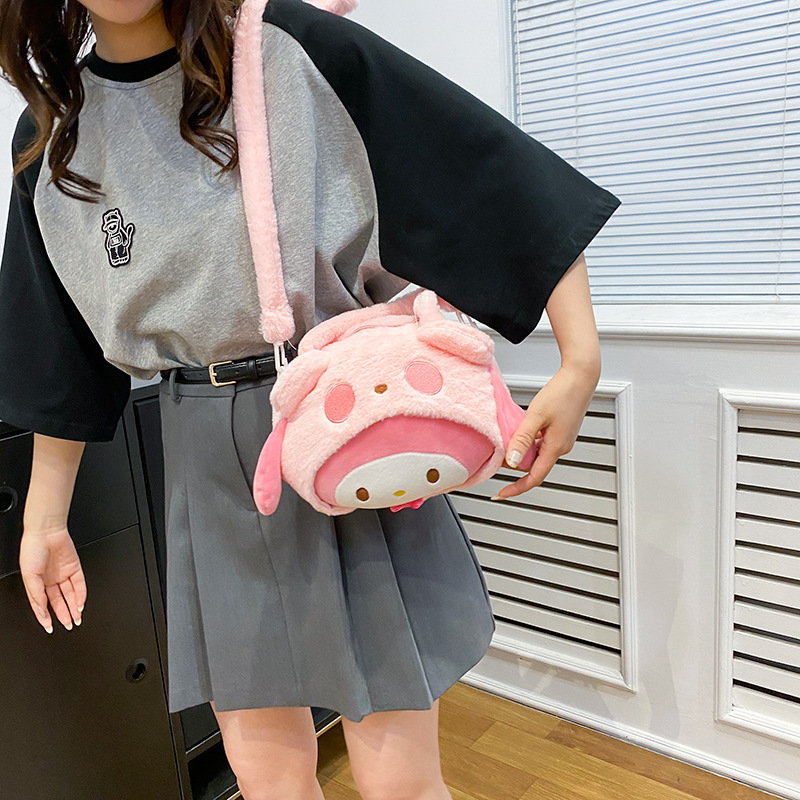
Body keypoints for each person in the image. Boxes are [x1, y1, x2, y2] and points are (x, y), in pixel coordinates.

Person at [0, 0, 621, 798]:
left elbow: (474, 166)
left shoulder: (286, 45)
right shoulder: (54, 134)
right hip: (203, 457)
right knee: (267, 777)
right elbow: (58, 346)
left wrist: (580, 357)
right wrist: (45, 518)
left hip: (345, 416)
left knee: (399, 778)